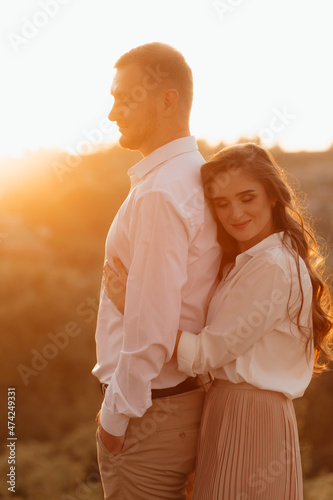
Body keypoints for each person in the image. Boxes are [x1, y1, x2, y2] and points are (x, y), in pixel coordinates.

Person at [104, 142, 333, 500]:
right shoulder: (254, 259)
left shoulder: (272, 266)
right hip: (232, 412)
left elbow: (203, 355)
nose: (235, 213)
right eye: (221, 203)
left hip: (250, 418)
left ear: (272, 196)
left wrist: (133, 306)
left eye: (247, 197)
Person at [92, 42, 221, 500]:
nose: (113, 113)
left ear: (168, 100)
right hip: (172, 406)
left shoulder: (161, 193)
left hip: (148, 416)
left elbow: (151, 328)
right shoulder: (190, 175)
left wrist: (114, 416)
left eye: (125, 97)